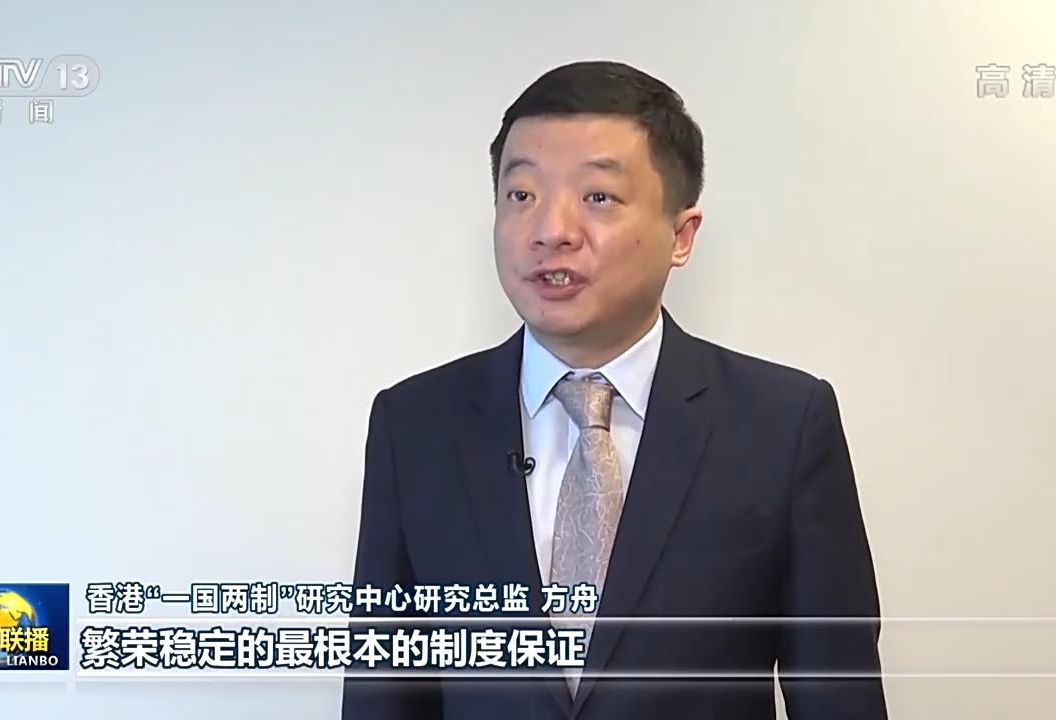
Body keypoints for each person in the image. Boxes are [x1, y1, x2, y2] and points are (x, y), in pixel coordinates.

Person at [341, 60, 888, 720]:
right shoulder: (414, 425)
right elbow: (383, 691)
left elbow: (838, 693)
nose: (552, 229)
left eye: (597, 196)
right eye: (522, 194)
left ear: (680, 235)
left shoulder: (784, 423)